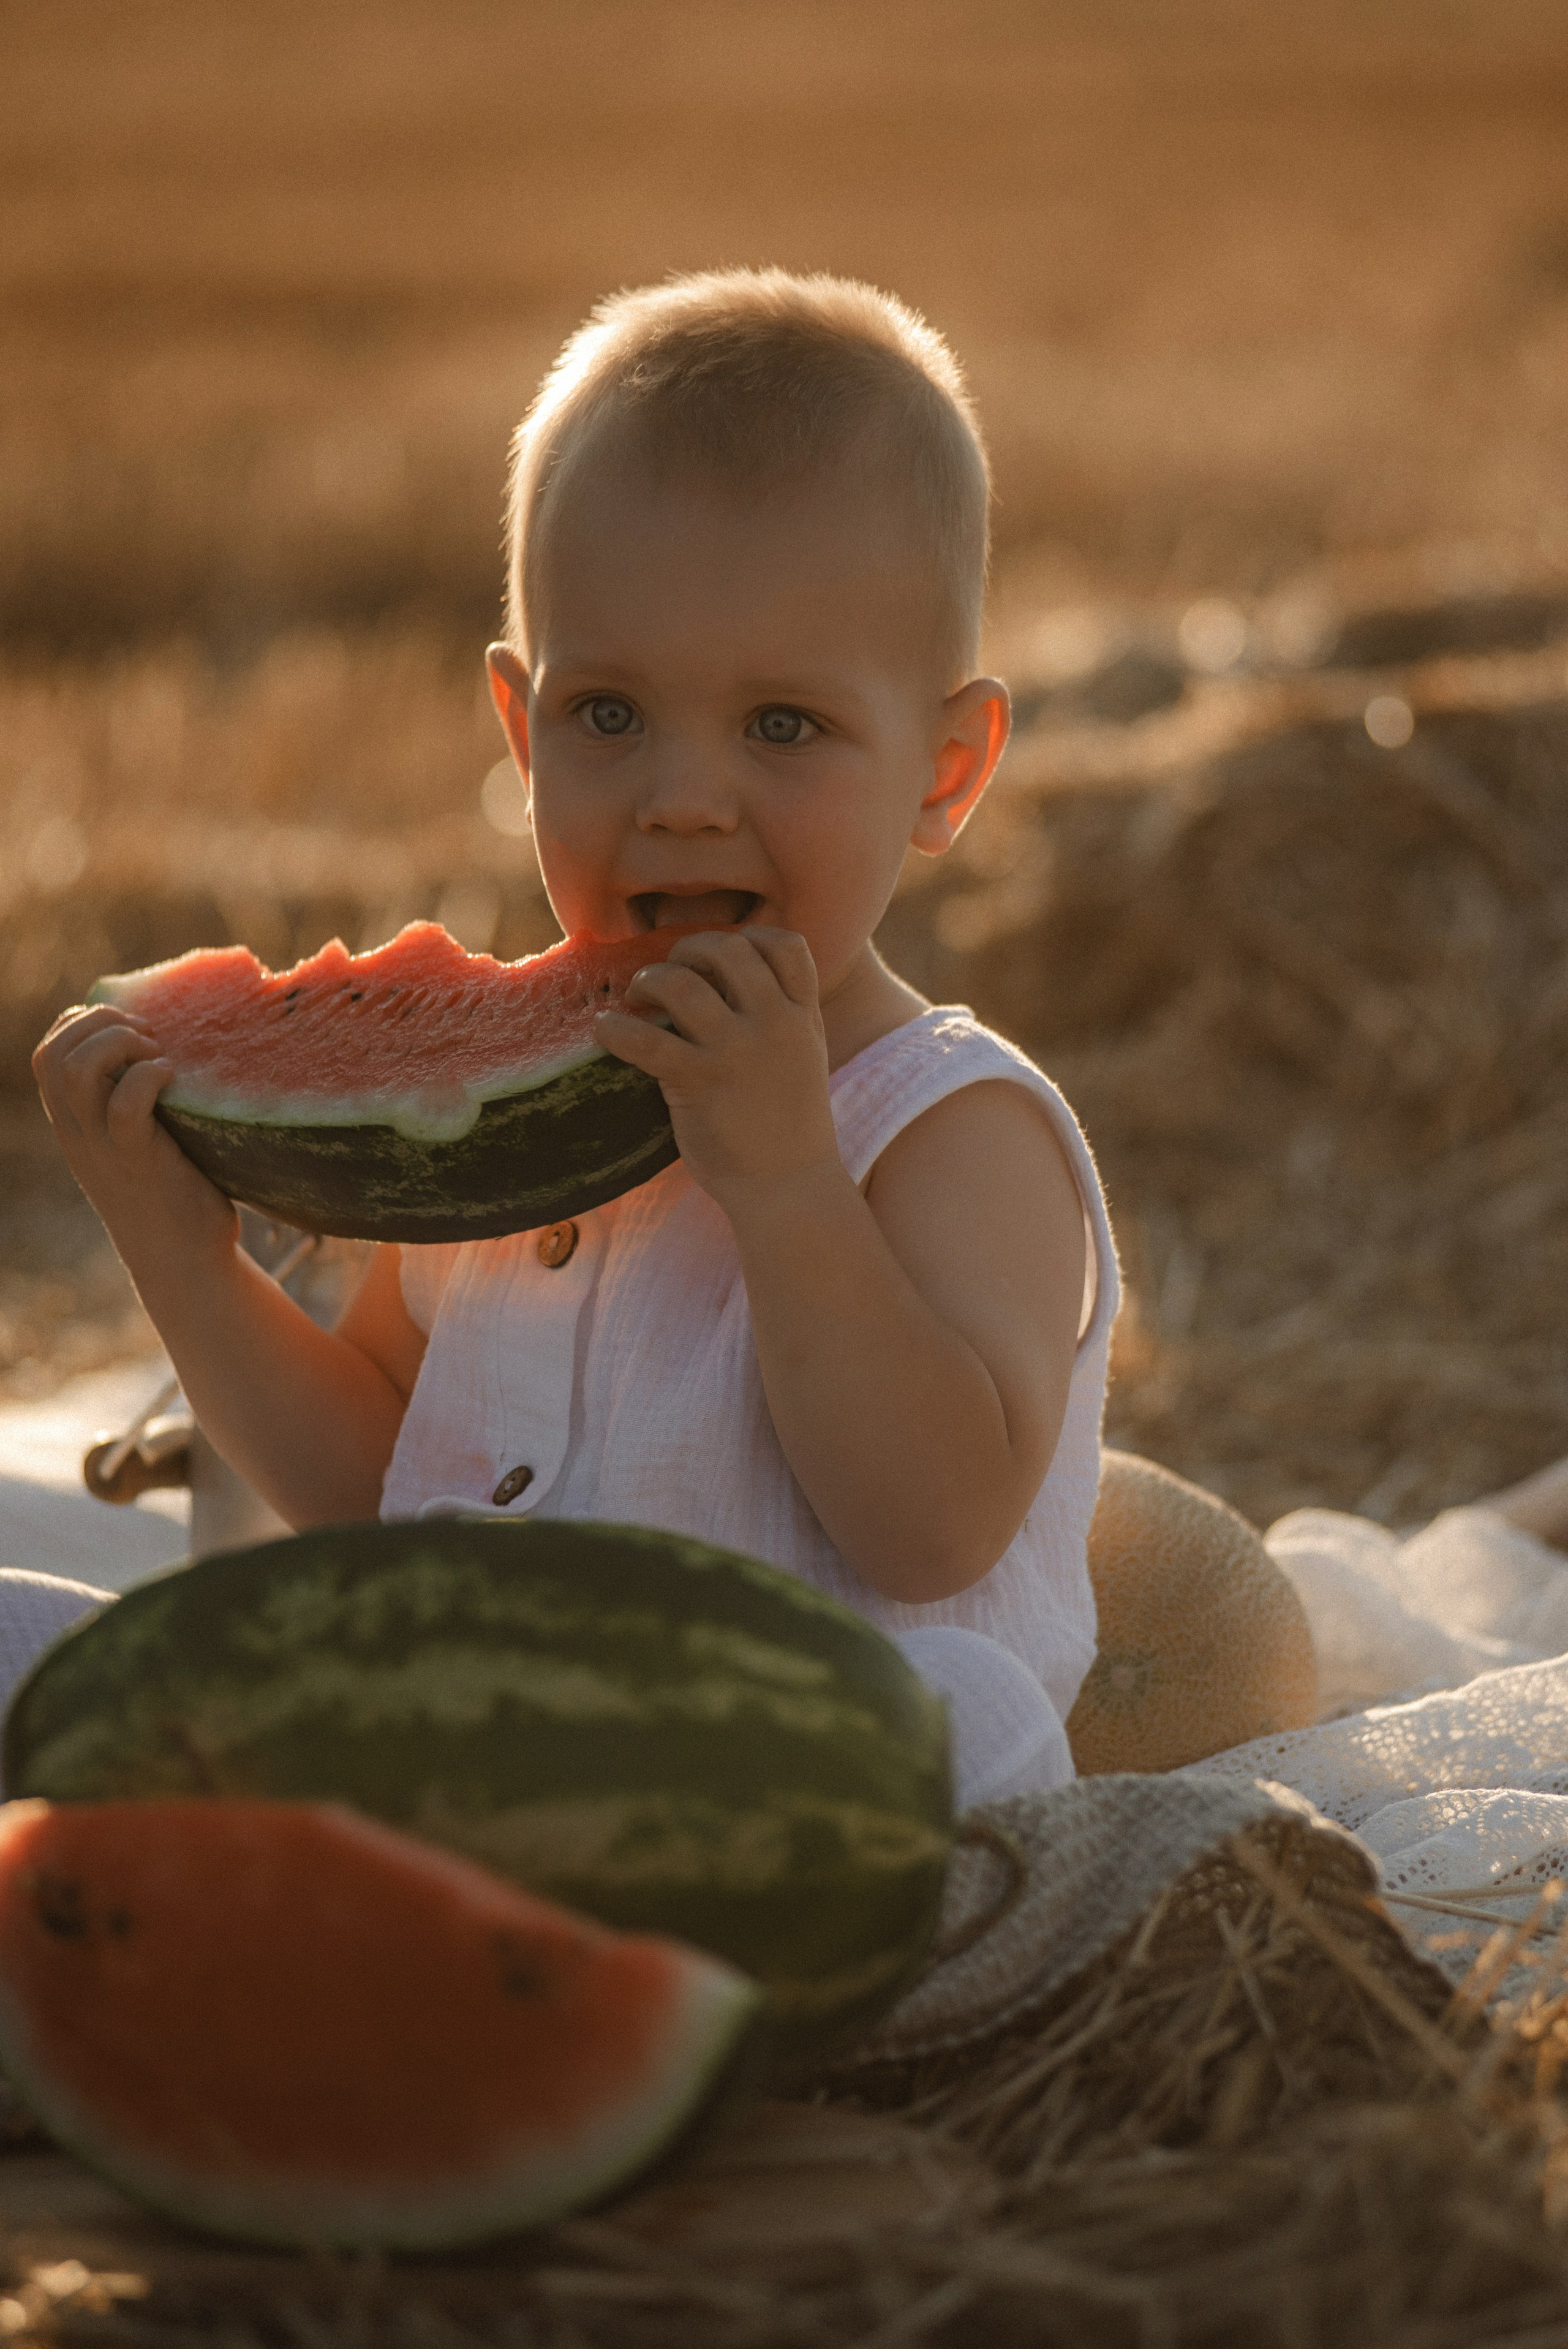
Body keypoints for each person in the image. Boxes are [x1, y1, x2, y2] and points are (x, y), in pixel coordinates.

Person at [29, 270, 1120, 1807]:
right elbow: (366, 1495)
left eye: (782, 726)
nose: (681, 793)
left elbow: (932, 1527)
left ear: (946, 771)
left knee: (958, 1713)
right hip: (478, 1749)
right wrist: (180, 1256)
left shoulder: (952, 1127)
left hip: (792, 1789)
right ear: (515, 727)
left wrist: (790, 1182)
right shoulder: (500, 1140)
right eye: (607, 715)